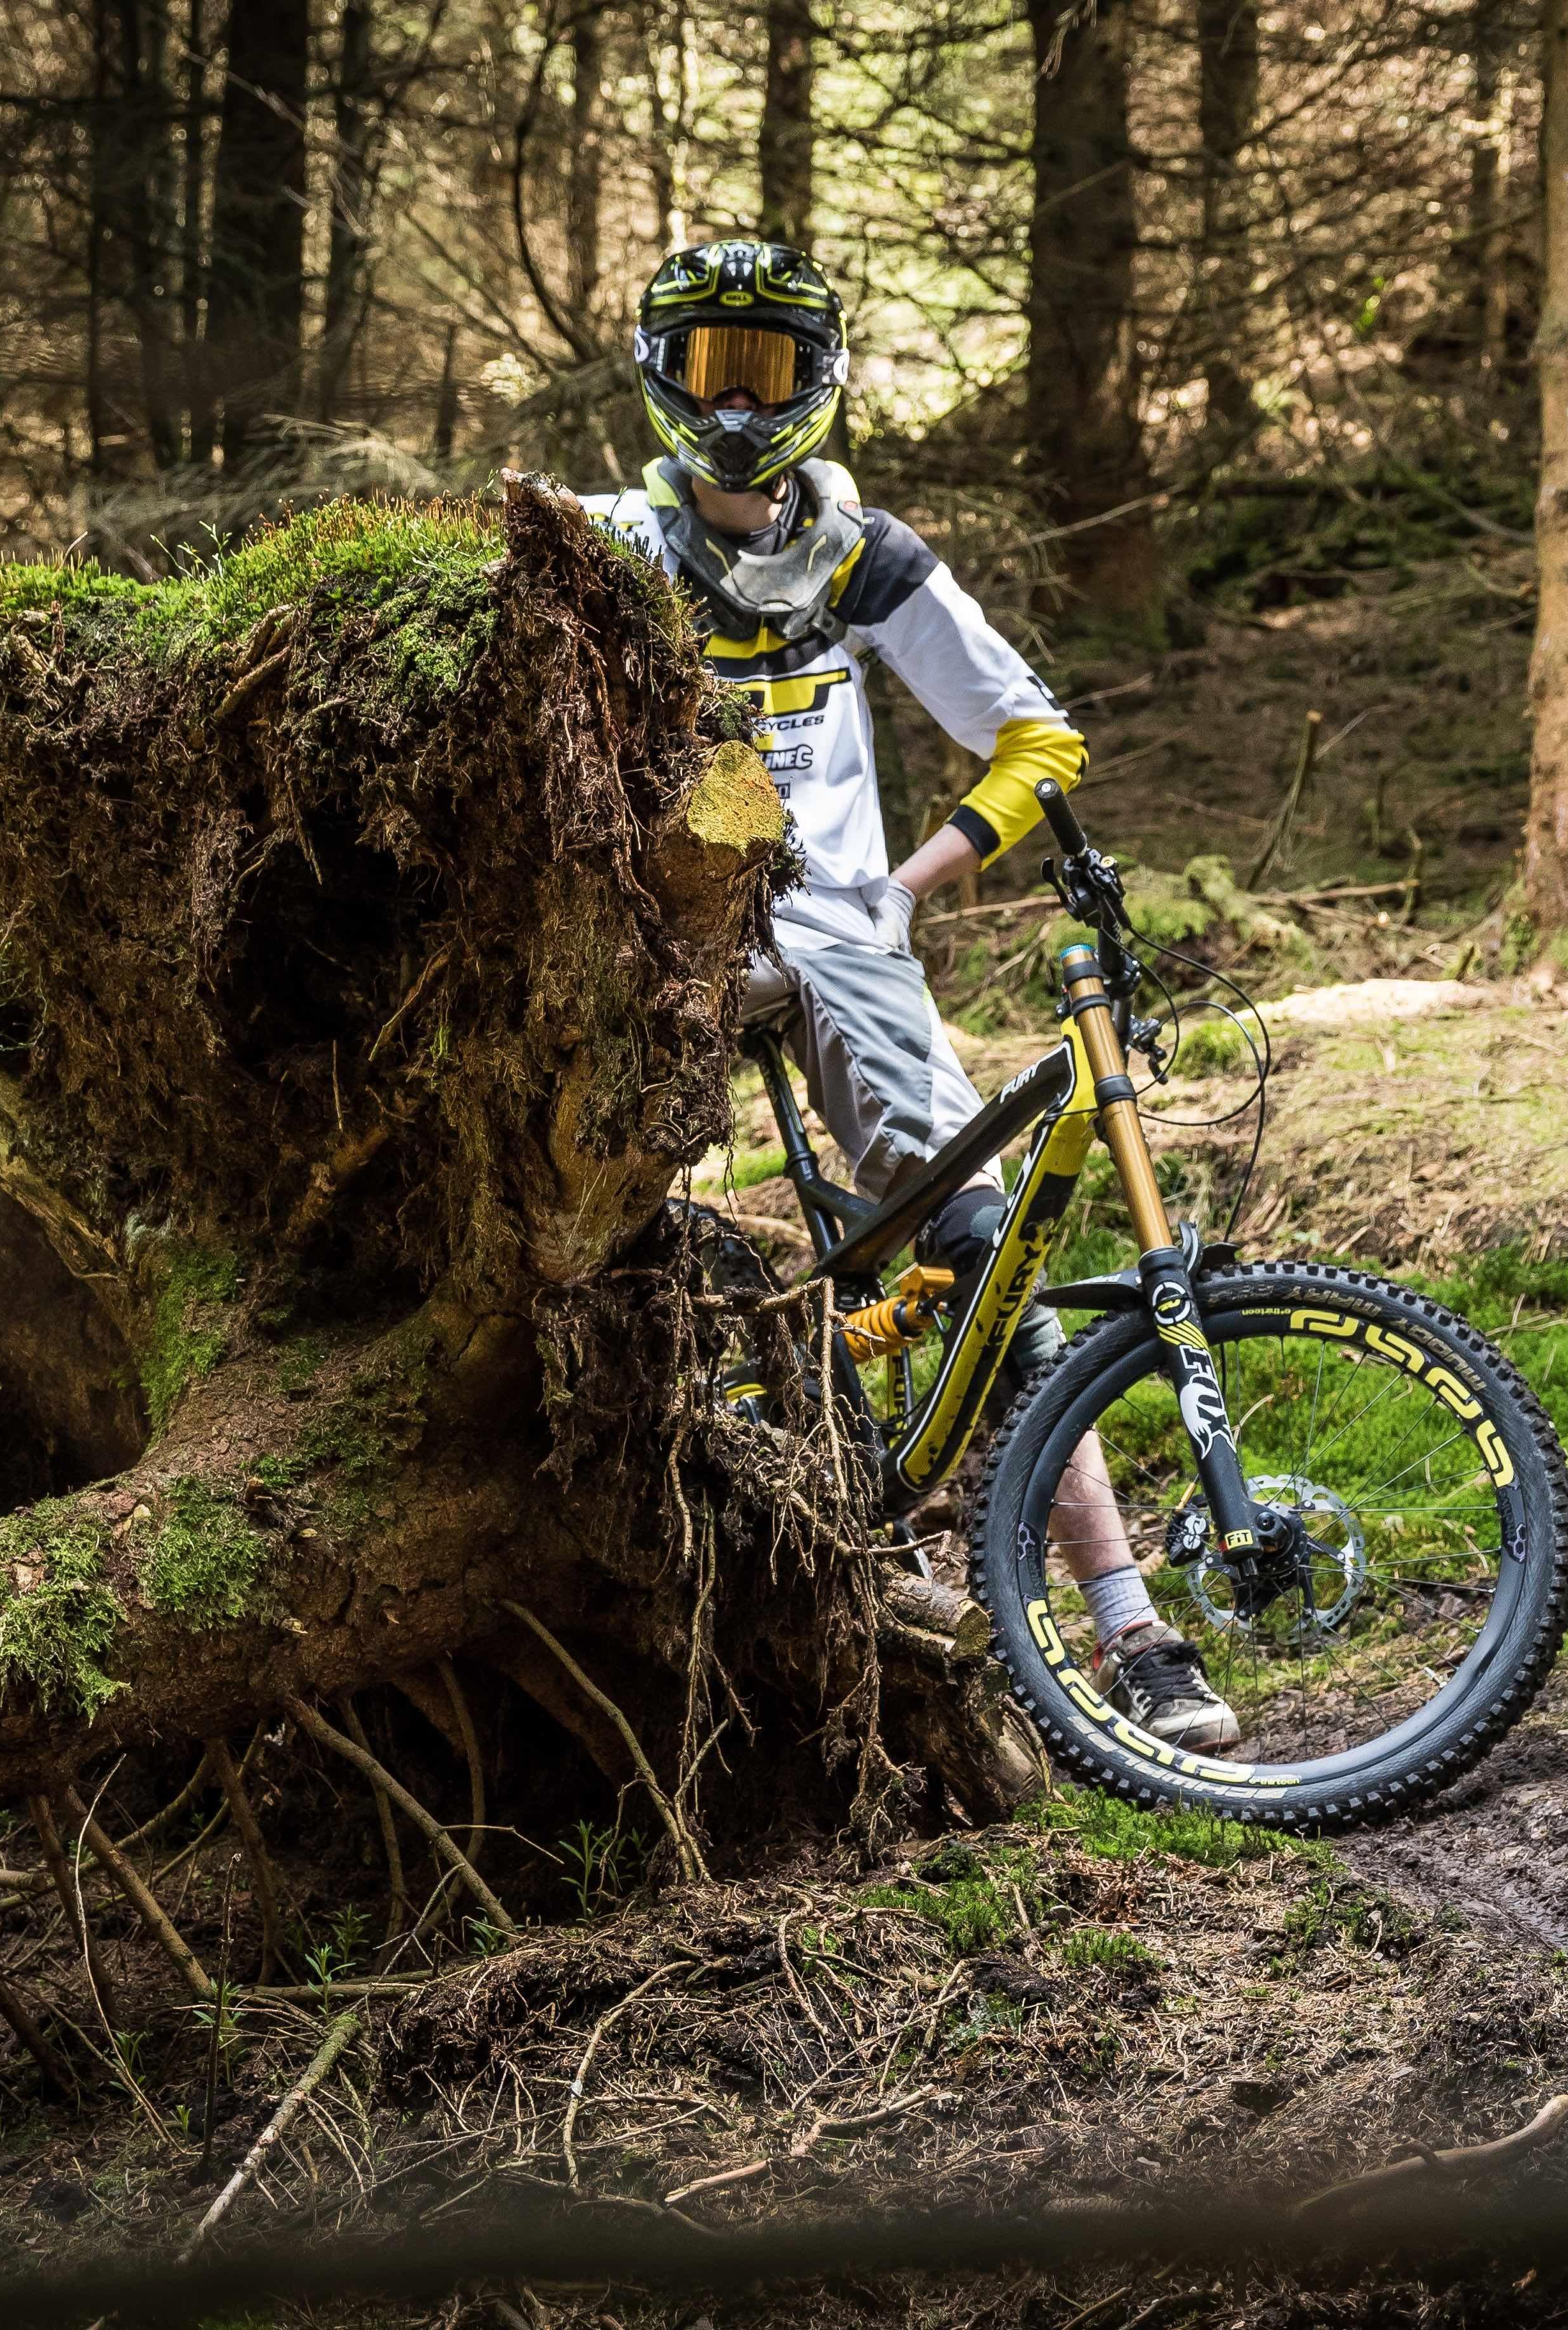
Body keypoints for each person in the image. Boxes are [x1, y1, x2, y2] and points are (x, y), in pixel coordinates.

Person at [579, 240, 1241, 1753]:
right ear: (662, 376)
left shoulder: (864, 556)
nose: (736, 406)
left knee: (984, 1243)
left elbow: (1037, 739)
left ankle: (1129, 1625)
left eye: (765, 370)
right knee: (587, 1254)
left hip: (831, 932)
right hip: (639, 943)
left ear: (816, 380)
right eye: (708, 369)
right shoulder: (605, 545)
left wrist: (907, 885)